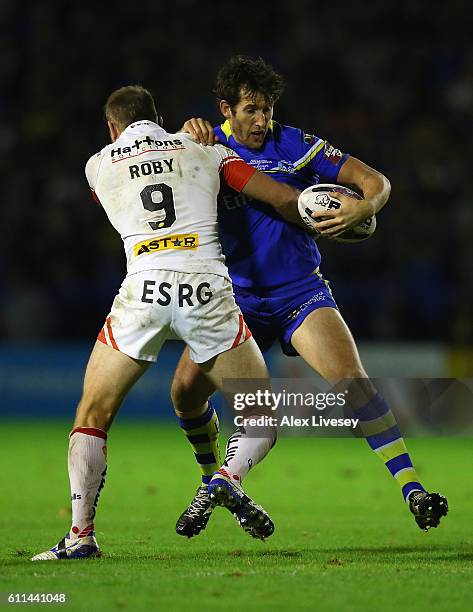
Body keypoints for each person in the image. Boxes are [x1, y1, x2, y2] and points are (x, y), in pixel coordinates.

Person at [32, 84, 311, 560]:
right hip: (205, 285)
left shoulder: (97, 165)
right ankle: (225, 479)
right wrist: (328, 213)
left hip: (143, 288)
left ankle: (80, 536)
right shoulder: (207, 149)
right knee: (260, 415)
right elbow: (281, 198)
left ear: (112, 127)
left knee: (92, 414)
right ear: (159, 117)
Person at [172, 56, 448, 538]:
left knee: (352, 380)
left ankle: (413, 490)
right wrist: (182, 135)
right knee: (184, 392)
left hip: (299, 291)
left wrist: (364, 204)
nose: (262, 121)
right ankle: (211, 482)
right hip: (233, 300)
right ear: (226, 109)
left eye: (268, 110)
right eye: (251, 110)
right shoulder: (204, 147)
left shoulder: (295, 143)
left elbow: (376, 181)